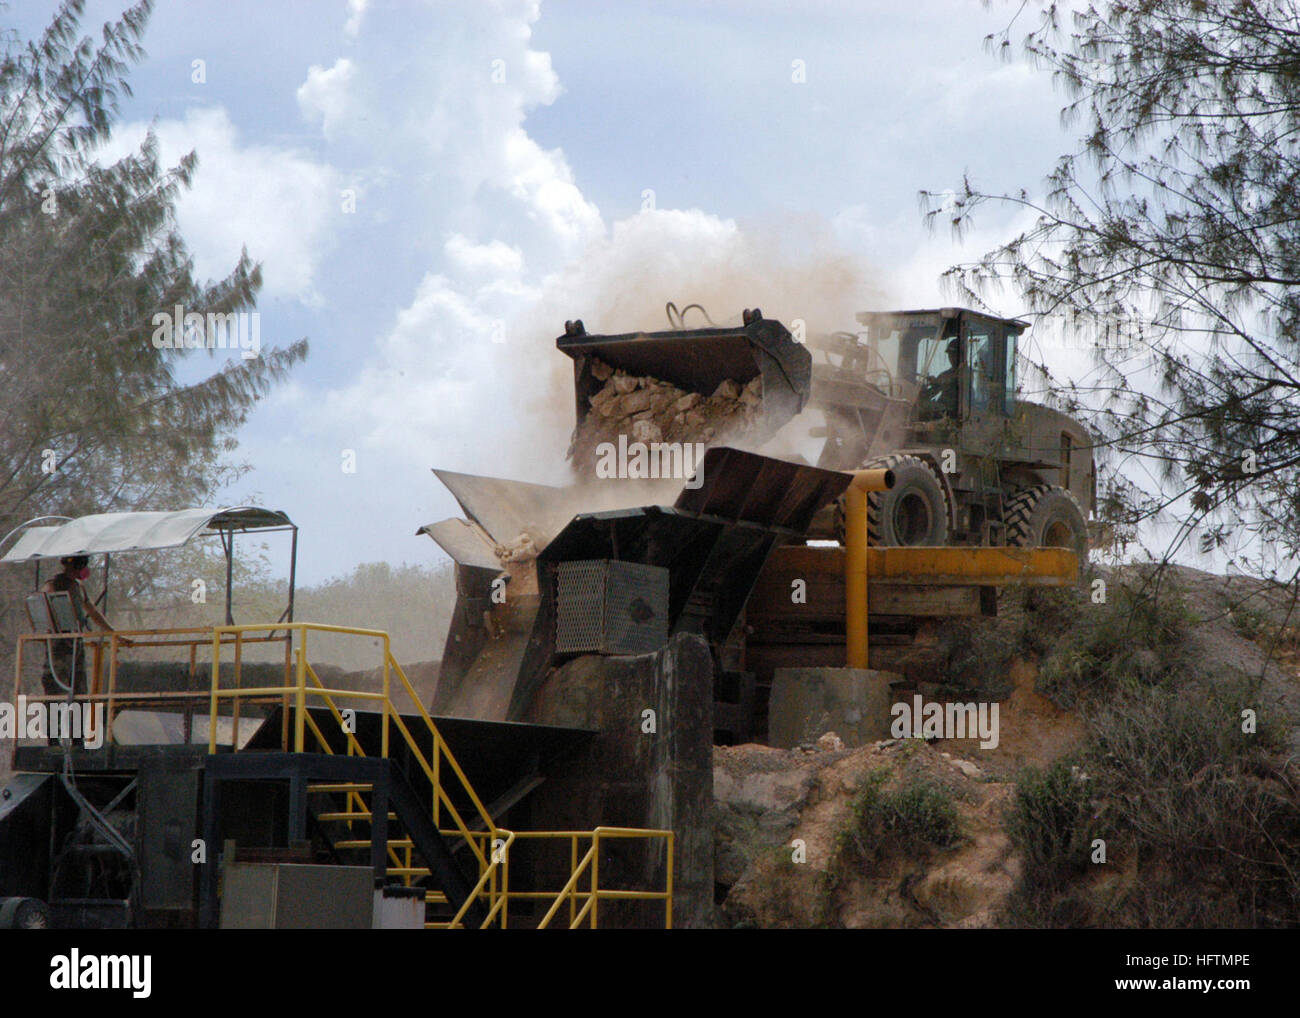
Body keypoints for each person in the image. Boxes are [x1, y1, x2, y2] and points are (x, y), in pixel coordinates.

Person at [39, 555, 114, 699]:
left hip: (75, 643)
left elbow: (92, 611)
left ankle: (76, 719)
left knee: (79, 689)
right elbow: (42, 608)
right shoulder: (52, 585)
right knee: (56, 686)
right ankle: (54, 719)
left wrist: (112, 632)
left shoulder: (78, 586)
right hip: (59, 643)